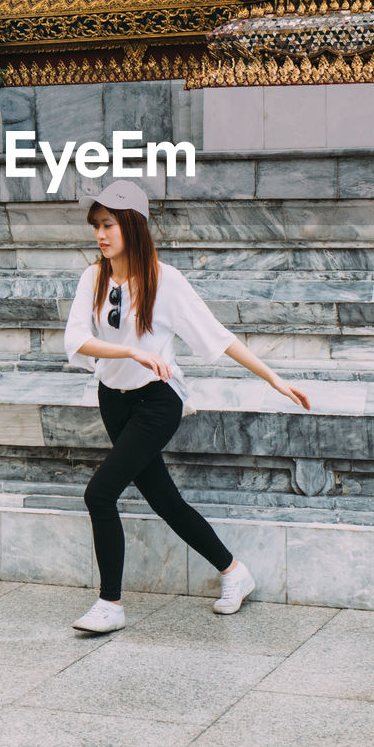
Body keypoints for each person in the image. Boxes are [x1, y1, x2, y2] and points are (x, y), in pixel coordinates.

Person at [64, 180, 311, 634]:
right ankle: (235, 571)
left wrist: (273, 377)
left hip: (158, 401)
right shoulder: (92, 277)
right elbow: (76, 339)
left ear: (132, 226)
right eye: (96, 225)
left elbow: (218, 336)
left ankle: (110, 604)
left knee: (99, 493)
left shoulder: (165, 281)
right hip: (113, 399)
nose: (100, 234)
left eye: (109, 225)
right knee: (164, 499)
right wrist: (132, 352)